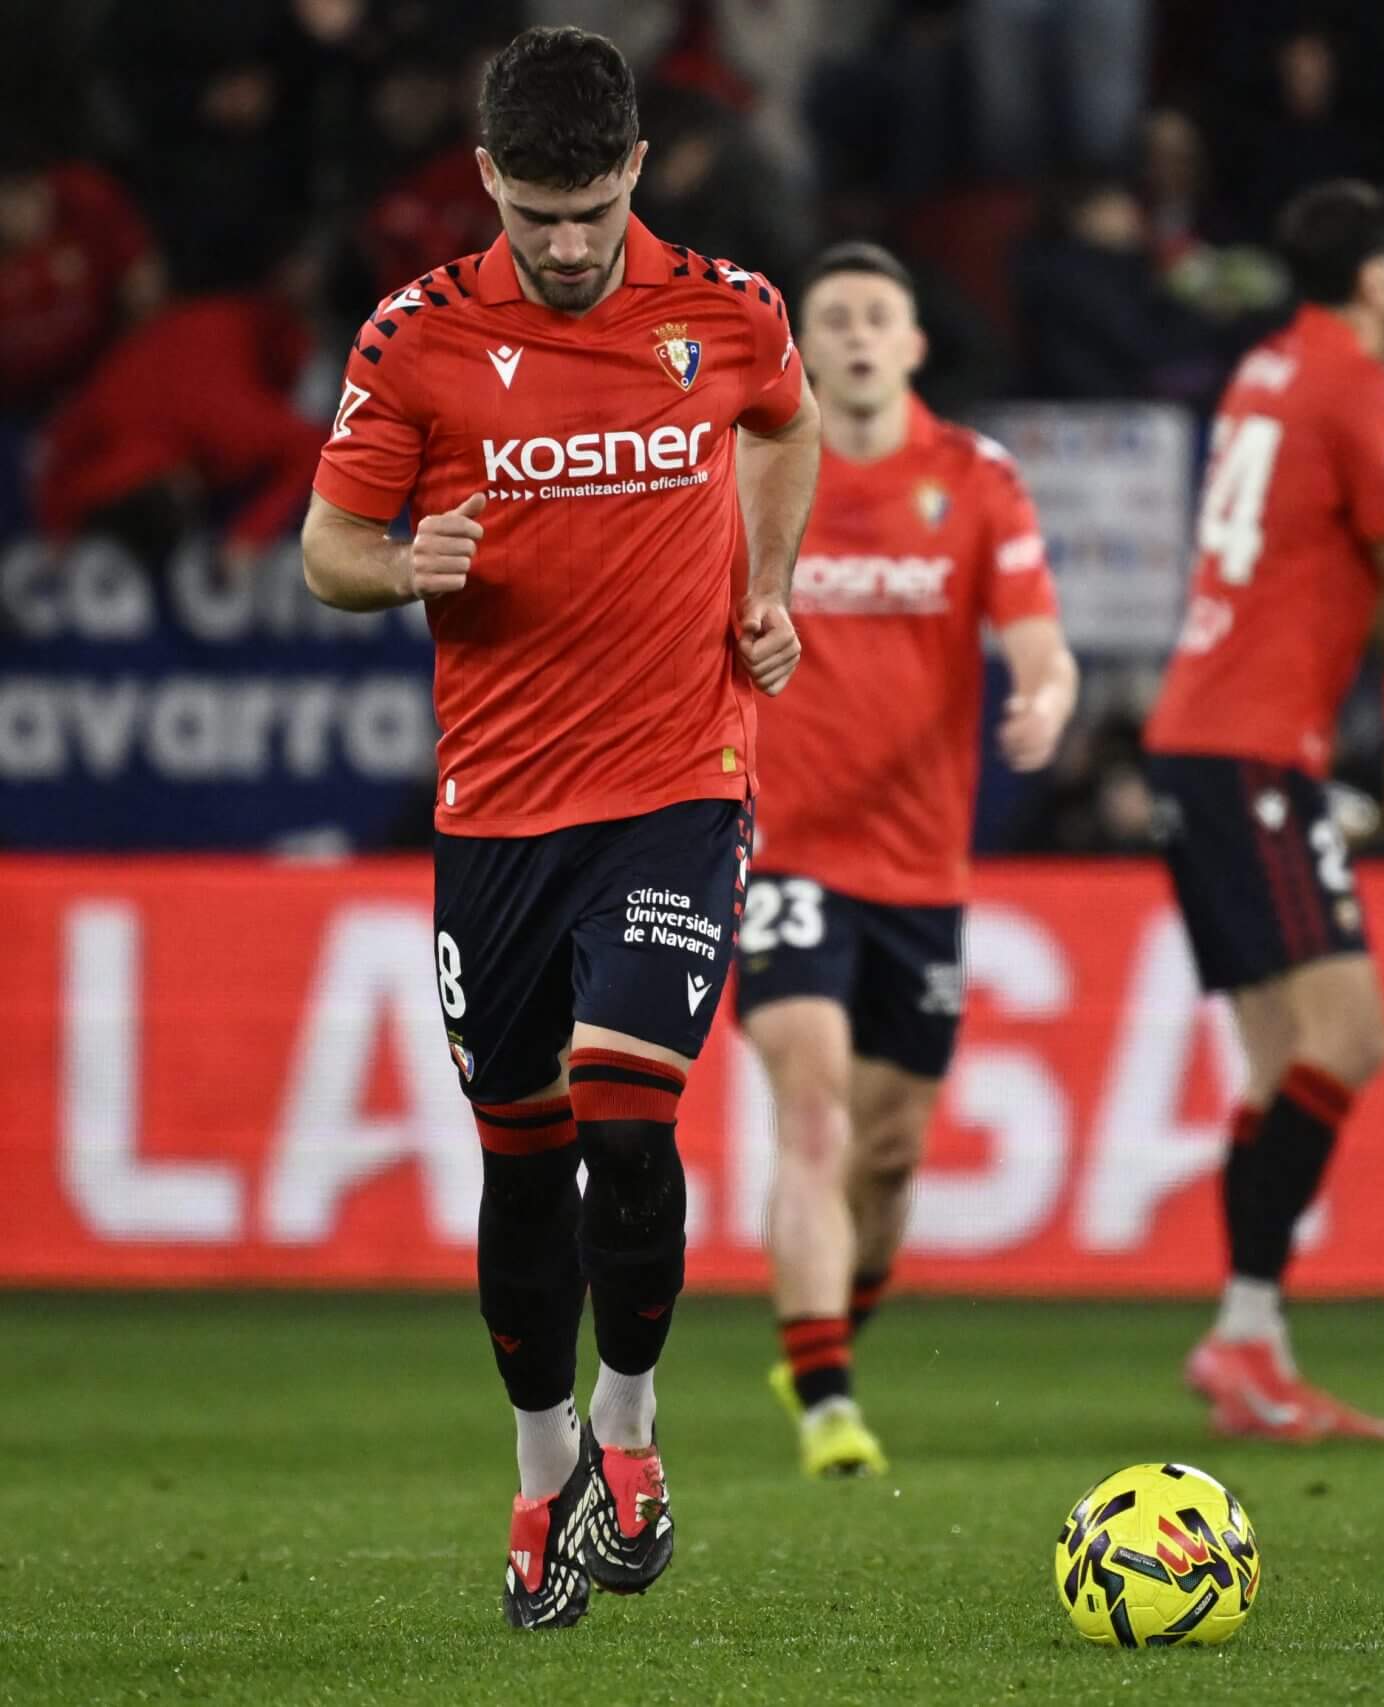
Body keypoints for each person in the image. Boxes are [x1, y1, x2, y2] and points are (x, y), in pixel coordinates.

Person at [301, 26, 819, 1629]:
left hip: (677, 785)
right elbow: (329, 546)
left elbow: (786, 431)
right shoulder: (418, 338)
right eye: (539, 214)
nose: (574, 245)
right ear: (486, 185)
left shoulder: (729, 313)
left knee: (628, 1116)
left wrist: (767, 583)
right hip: (499, 814)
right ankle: (540, 1476)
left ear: (640, 172)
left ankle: (633, 1431)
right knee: (524, 1169)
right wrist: (409, 565)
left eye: (594, 208)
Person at [1142, 178, 1384, 1441]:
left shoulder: (1279, 365)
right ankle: (1245, 1330)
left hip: (1202, 738)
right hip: (1254, 750)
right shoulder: (1353, 385)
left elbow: (1330, 526)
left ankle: (1251, 1343)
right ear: (1371, 276)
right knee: (1347, 1039)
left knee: (1272, 1061)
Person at [740, 241, 1074, 1479]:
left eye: (883, 315)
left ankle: (827, 1337)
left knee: (890, 1157)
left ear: (916, 344)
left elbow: (1039, 642)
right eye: (836, 319)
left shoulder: (974, 478)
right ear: (807, 348)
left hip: (921, 871)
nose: (861, 335)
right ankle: (828, 1402)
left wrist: (1043, 700)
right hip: (778, 849)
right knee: (815, 1112)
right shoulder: (756, 469)